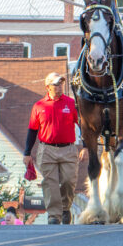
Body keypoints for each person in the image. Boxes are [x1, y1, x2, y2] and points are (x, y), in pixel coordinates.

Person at [24, 71, 79, 225]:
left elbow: (82, 124)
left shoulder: (70, 103)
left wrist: (86, 146)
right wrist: (27, 153)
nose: (59, 86)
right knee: (51, 183)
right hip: (46, 149)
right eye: (56, 84)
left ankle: (65, 207)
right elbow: (32, 130)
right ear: (47, 86)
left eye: (61, 83)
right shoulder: (39, 106)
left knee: (69, 180)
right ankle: (54, 215)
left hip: (68, 148)